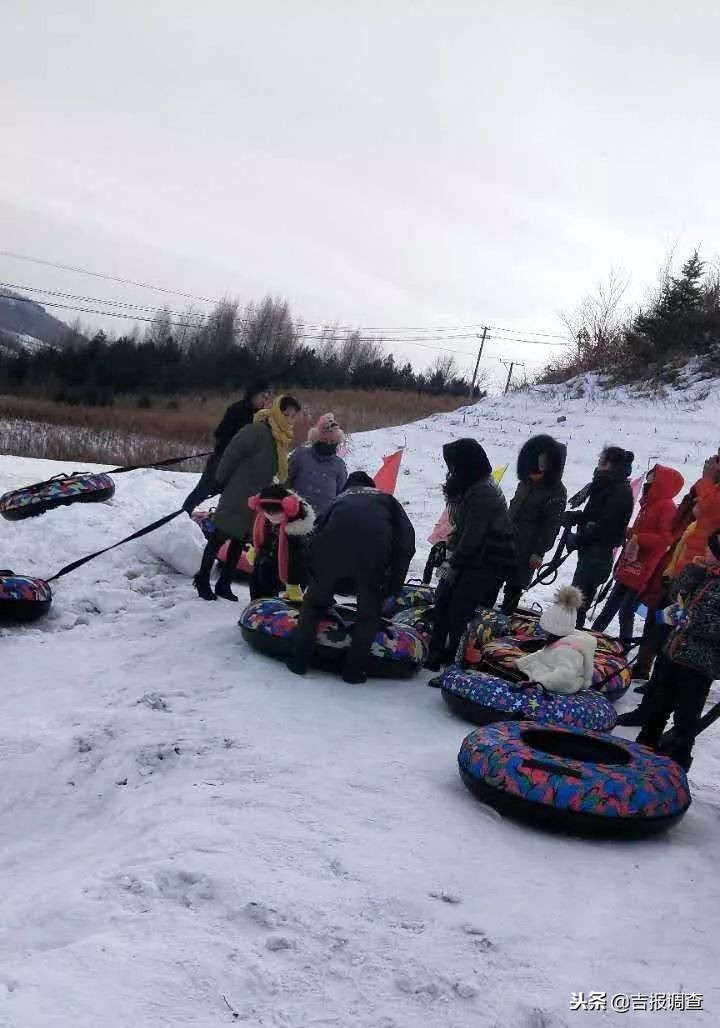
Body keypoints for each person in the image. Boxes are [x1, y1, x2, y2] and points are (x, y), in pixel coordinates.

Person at [287, 471, 415, 684]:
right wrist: (392, 587)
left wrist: (315, 576)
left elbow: (313, 533)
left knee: (313, 605)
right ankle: (354, 672)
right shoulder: (388, 501)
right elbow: (406, 544)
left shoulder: (339, 499)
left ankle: (299, 662)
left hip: (331, 556)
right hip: (373, 561)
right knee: (368, 615)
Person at [192, 394, 301, 601]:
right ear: (278, 411)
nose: (289, 419)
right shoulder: (256, 430)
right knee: (219, 537)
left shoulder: (280, 440)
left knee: (239, 541)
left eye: (293, 416)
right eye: (286, 414)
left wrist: (285, 491)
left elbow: (279, 470)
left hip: (257, 498)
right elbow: (231, 454)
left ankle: (224, 583)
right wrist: (220, 480)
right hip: (237, 492)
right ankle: (202, 579)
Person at [425, 439, 516, 671]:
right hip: (474, 557)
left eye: (453, 466)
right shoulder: (473, 487)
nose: (450, 471)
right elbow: (464, 529)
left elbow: (473, 537)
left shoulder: (483, 492)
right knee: (443, 600)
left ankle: (457, 662)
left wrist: (451, 564)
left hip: (485, 562)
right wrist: (451, 544)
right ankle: (437, 652)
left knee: (460, 612)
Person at [634, 531, 720, 771]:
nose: (705, 553)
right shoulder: (704, 575)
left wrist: (691, 620)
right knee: (657, 709)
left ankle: (675, 768)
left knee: (685, 720)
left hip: (698, 665)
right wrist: (692, 572)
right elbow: (676, 595)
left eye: (710, 549)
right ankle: (640, 756)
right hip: (672, 653)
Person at [592, 464, 684, 645]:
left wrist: (638, 537)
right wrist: (629, 532)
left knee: (626, 609)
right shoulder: (647, 504)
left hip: (644, 567)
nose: (646, 484)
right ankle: (593, 634)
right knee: (610, 605)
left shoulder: (666, 507)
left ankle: (624, 644)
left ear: (661, 484)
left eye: (651, 481)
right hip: (631, 563)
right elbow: (643, 530)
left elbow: (666, 538)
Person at [563, 446, 635, 628]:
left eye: (602, 459)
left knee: (576, 604)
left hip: (598, 555)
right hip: (591, 552)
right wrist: (577, 516)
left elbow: (605, 527)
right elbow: (594, 517)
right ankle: (565, 637)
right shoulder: (605, 486)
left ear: (611, 464)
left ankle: (567, 640)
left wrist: (578, 539)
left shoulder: (618, 492)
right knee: (575, 601)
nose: (598, 461)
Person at [183, 377, 272, 513]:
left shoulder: (263, 417)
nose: (265, 400)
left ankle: (220, 526)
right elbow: (220, 436)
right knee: (202, 492)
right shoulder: (236, 410)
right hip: (220, 462)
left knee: (232, 499)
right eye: (262, 396)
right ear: (253, 394)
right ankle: (184, 515)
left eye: (267, 397)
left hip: (241, 469)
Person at [501, 434, 567, 614]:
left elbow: (551, 526)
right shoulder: (525, 482)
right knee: (492, 579)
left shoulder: (557, 492)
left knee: (513, 589)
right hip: (506, 539)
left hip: (527, 548)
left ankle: (504, 619)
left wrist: (539, 552)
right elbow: (513, 506)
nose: (532, 474)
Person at [514, 586, 597, 694]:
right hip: (543, 678)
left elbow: (564, 677)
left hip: (559, 689)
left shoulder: (569, 651)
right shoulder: (558, 642)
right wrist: (518, 663)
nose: (544, 633)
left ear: (554, 630)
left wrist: (537, 684)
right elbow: (542, 654)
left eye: (547, 631)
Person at [247, 485, 315, 602]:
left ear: (288, 507)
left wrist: (294, 584)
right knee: (257, 589)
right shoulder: (263, 519)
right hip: (265, 561)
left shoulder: (296, 531)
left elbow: (298, 561)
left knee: (271, 599)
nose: (271, 515)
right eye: (267, 511)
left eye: (275, 512)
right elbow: (258, 536)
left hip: (285, 571)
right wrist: (255, 549)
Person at [287, 412, 348, 516]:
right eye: (324, 440)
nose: (328, 444)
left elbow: (341, 495)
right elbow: (286, 480)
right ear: (316, 438)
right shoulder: (301, 456)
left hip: (324, 521)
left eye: (332, 441)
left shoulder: (339, 465)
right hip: (296, 516)